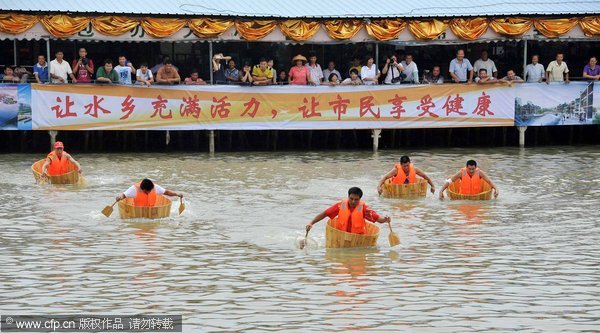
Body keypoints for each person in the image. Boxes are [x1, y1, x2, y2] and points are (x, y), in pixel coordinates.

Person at [306, 187, 391, 235]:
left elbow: (378, 218)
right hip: (341, 237)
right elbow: (324, 214)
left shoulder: (364, 209)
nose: (353, 201)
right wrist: (311, 223)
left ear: (360, 199)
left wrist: (385, 219)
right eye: (351, 199)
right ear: (348, 197)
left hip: (357, 240)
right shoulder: (340, 206)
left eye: (356, 199)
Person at [115, 178, 183, 207]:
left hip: (151, 211)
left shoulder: (154, 187)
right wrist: (119, 197)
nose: (150, 192)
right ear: (143, 189)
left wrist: (177, 194)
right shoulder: (134, 189)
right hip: (138, 212)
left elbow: (166, 192)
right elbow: (124, 195)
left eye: (151, 190)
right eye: (148, 191)